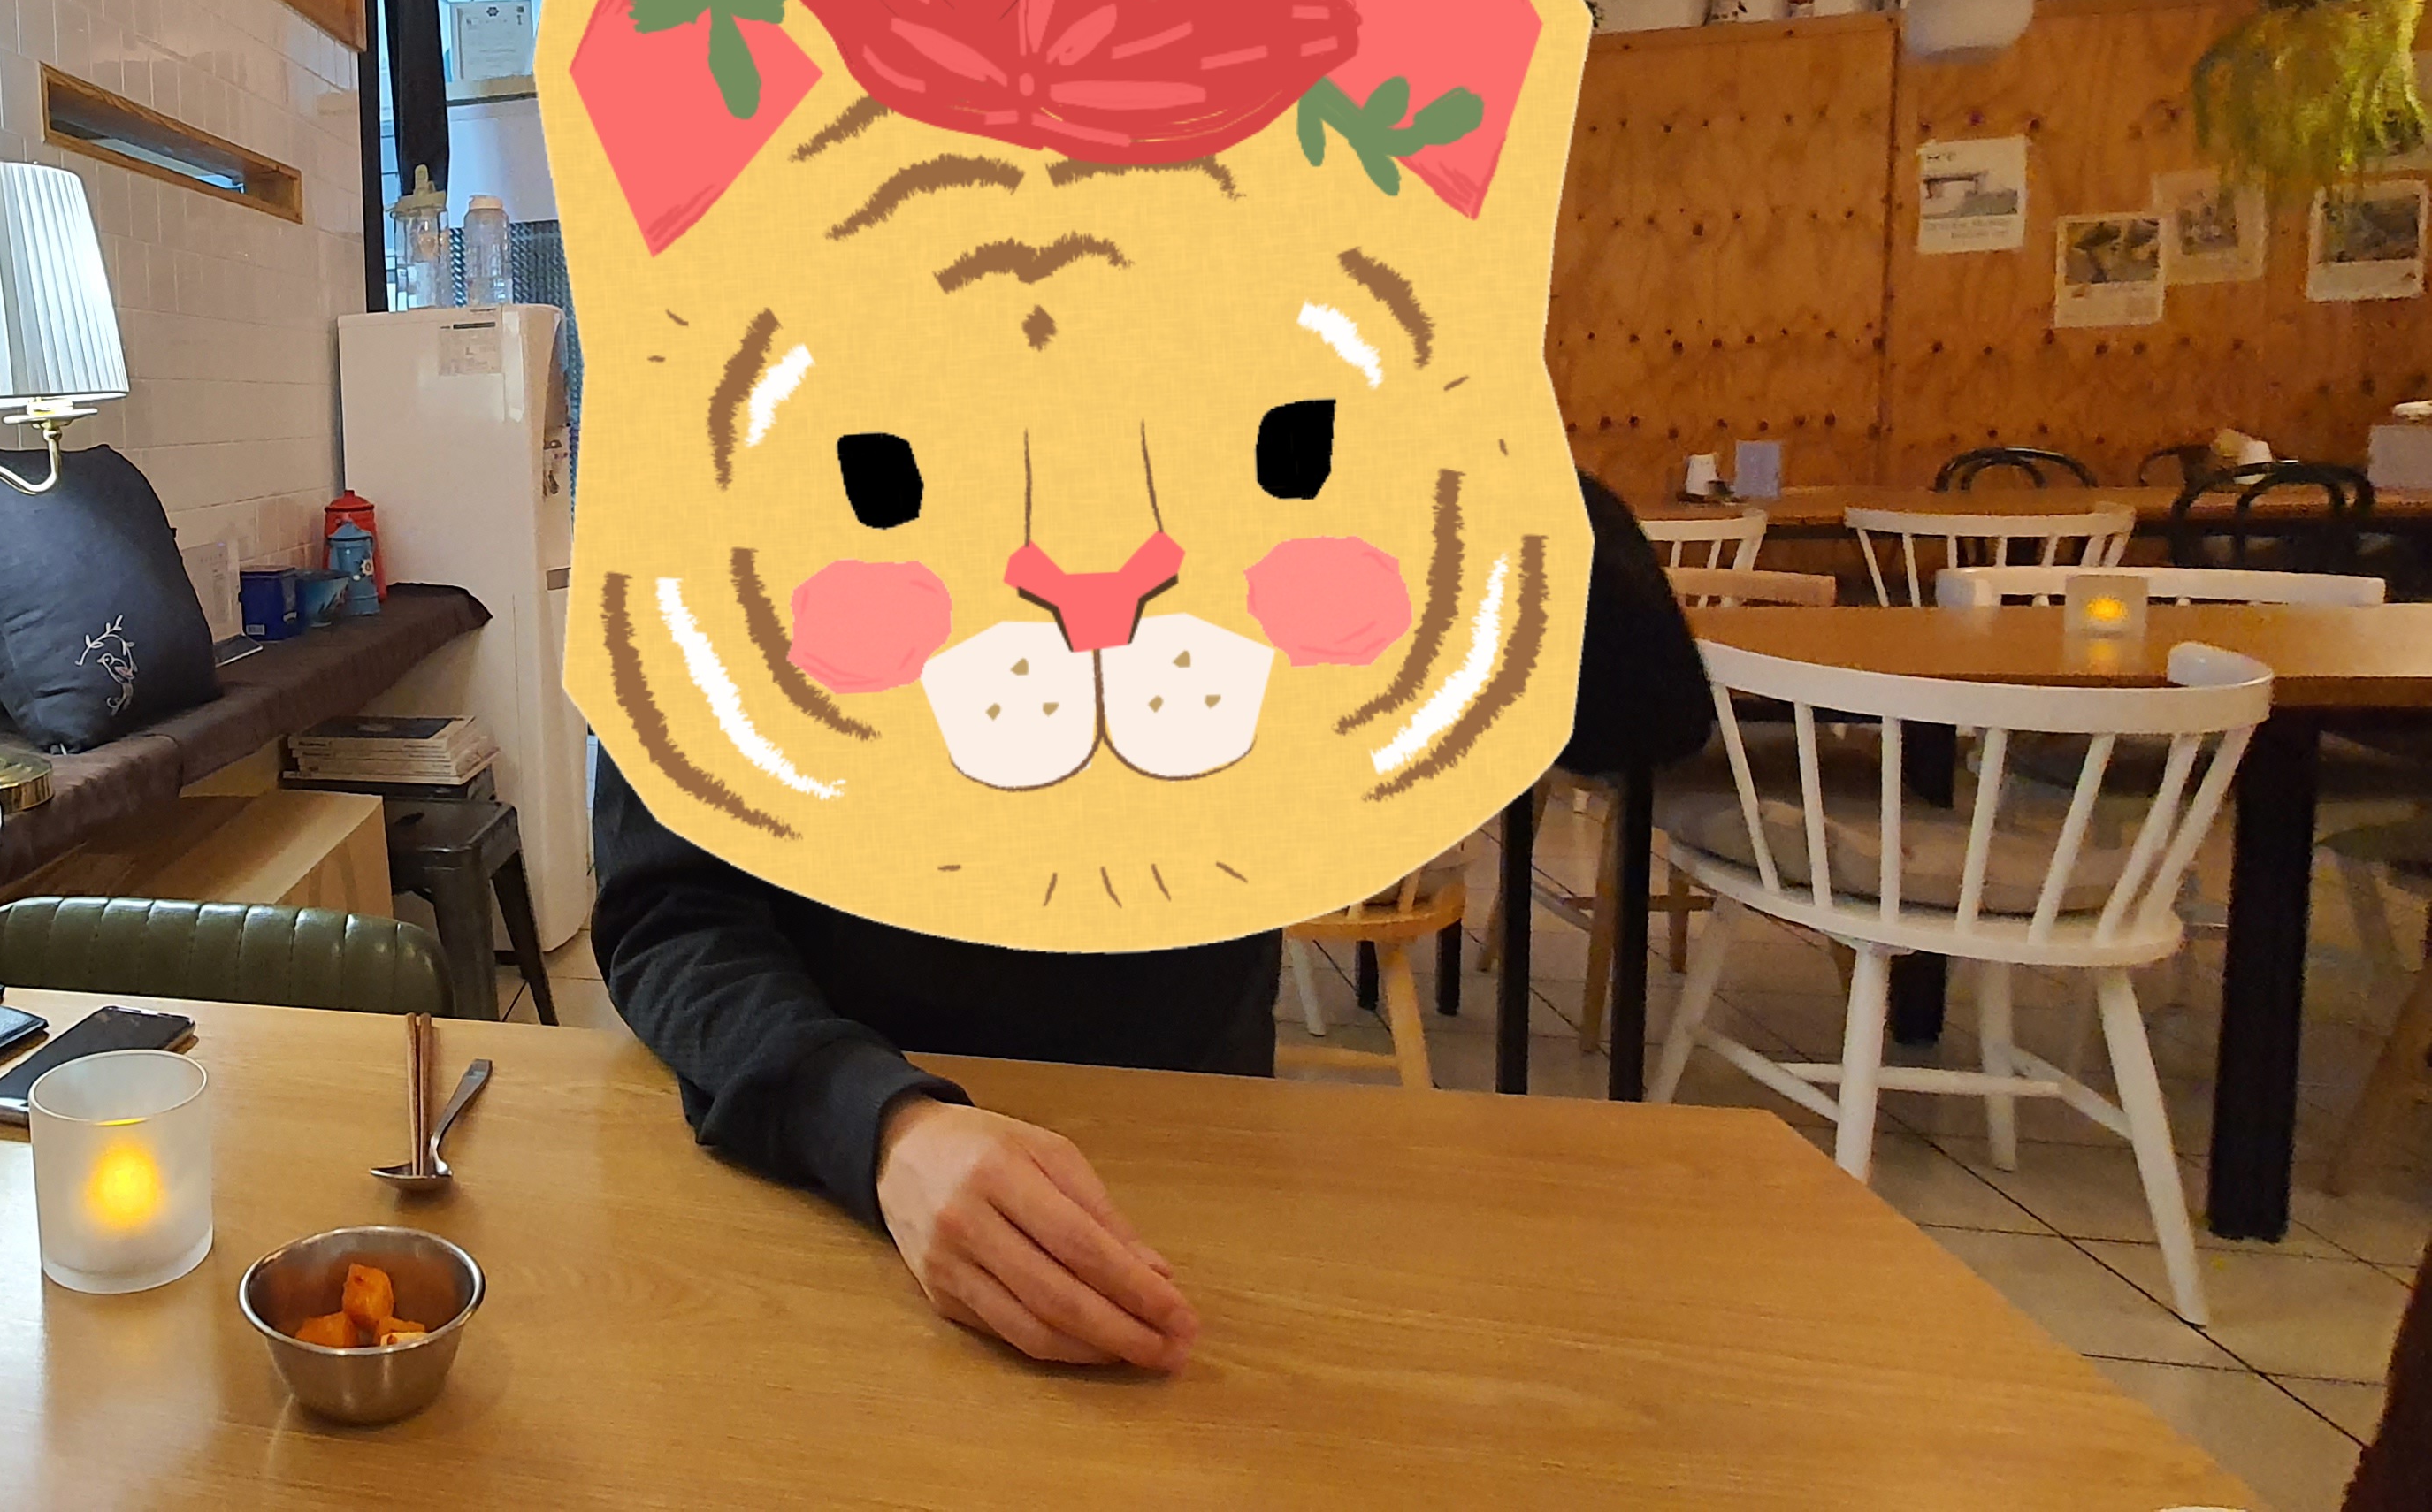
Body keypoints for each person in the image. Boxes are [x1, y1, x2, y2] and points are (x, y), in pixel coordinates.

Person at [591, 471, 1713, 1370]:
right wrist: (878, 1123)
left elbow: (1638, 707)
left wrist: (1443, 400)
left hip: (1184, 1165)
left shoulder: (1236, 428)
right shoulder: (754, 466)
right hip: (820, 1182)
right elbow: (669, 909)